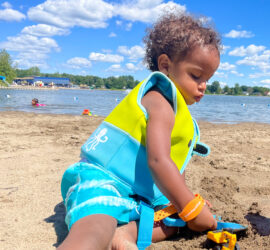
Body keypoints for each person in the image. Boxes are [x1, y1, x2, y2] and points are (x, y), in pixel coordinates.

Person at [58, 13, 220, 250]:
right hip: (103, 182)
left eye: (208, 79)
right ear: (165, 65)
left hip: (135, 196)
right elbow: (158, 161)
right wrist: (192, 210)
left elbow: (174, 170)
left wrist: (183, 206)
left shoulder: (178, 111)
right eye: (196, 75)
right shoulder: (159, 100)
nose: (203, 85)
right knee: (96, 225)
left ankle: (125, 235)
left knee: (174, 220)